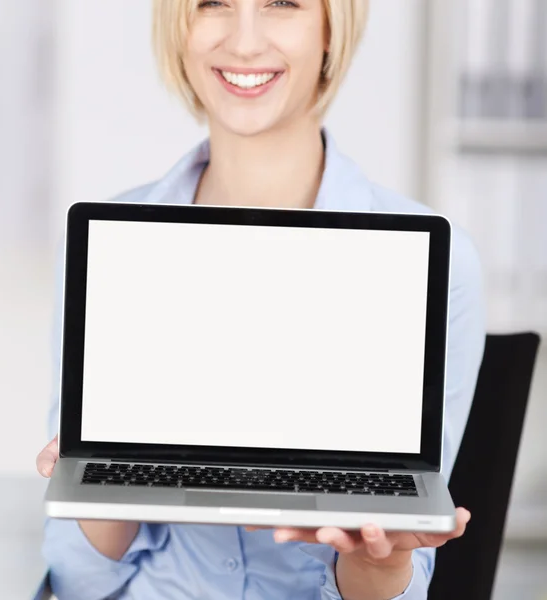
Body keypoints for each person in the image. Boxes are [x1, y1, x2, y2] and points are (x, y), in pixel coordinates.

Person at [37, 1, 485, 598]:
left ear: (331, 28)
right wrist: (104, 481)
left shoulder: (437, 263)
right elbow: (74, 584)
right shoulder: (107, 251)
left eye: (282, 3)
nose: (245, 43)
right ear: (180, 26)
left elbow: (401, 580)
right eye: (212, 3)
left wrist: (378, 564)